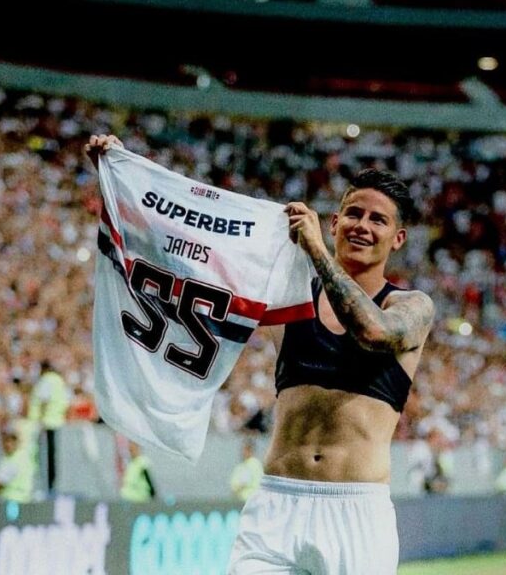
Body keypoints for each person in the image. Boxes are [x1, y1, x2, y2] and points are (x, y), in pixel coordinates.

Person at [86, 136, 434, 573]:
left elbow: (371, 332)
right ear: (334, 221)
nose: (362, 225)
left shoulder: (410, 307)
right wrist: (120, 177)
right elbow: (194, 253)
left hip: (356, 510)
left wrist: (316, 252)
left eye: (378, 220)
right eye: (354, 213)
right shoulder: (290, 296)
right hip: (276, 504)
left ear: (397, 238)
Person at [27, 360, 69, 493]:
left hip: (45, 424)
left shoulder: (47, 380)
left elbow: (44, 400)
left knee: (42, 457)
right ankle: (51, 486)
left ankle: (45, 486)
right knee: (51, 458)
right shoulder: (59, 381)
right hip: (56, 423)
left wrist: (40, 420)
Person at [0, 425, 36, 503]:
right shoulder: (23, 456)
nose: (7, 444)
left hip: (12, 501)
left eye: (11, 440)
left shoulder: (14, 460)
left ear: (16, 442)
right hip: (24, 499)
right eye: (5, 440)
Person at [230, 437, 264, 502]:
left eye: (245, 449)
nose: (243, 452)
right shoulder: (241, 466)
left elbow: (244, 481)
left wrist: (237, 486)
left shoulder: (253, 464)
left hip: (249, 501)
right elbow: (233, 486)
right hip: (242, 501)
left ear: (250, 450)